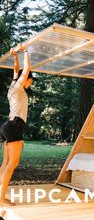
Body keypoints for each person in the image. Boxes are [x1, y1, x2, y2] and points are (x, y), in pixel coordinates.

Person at [0, 43, 35, 210]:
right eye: (30, 81)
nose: (30, 84)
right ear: (26, 79)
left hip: (8, 125)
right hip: (14, 126)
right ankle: (0, 198)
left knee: (6, 162)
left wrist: (15, 55)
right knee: (12, 163)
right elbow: (25, 68)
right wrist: (25, 50)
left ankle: (0, 196)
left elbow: (17, 69)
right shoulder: (19, 87)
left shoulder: (13, 86)